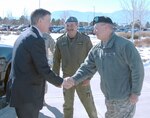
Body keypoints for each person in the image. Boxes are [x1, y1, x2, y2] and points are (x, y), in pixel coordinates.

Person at [63, 16, 144, 118]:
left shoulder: (125, 46)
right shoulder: (97, 50)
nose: (94, 31)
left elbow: (138, 70)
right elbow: (87, 68)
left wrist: (135, 93)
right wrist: (73, 79)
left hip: (125, 98)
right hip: (109, 98)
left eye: (96, 28)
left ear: (106, 27)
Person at [8, 8, 63, 118]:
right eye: (48, 21)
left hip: (21, 92)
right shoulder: (35, 39)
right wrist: (61, 82)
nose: (50, 24)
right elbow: (43, 69)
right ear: (39, 21)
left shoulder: (25, 35)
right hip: (28, 96)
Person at [52, 16, 98, 118]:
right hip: (67, 79)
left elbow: (93, 60)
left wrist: (89, 78)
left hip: (82, 79)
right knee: (67, 106)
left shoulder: (85, 40)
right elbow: (56, 61)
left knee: (89, 105)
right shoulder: (60, 41)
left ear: (77, 26)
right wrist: (56, 79)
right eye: (67, 25)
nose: (69, 28)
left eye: (72, 25)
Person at [43, 32, 55, 103]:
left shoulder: (46, 36)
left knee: (43, 82)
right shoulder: (29, 33)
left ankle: (42, 98)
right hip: (31, 64)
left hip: (43, 64)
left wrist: (52, 62)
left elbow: (54, 49)